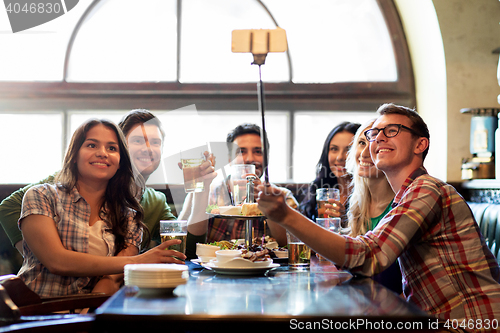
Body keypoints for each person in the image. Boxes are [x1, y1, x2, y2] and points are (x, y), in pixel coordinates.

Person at [256, 103, 500, 325]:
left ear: (420, 144)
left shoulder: (427, 188)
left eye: (392, 130)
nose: (378, 138)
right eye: (373, 134)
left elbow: (368, 256)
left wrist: (286, 215)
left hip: (471, 323)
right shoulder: (405, 195)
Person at [0, 109, 215, 258]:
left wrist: (201, 188)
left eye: (156, 142)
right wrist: (41, 252)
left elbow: (185, 248)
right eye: (138, 140)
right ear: (120, 147)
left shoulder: (154, 201)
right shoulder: (72, 180)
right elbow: (8, 207)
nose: (148, 148)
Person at [17, 119, 186, 297]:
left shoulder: (129, 215)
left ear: (120, 161)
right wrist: (138, 261)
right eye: (91, 145)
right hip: (35, 315)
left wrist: (89, 313)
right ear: (74, 155)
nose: (102, 153)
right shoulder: (41, 196)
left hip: (92, 313)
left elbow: (112, 279)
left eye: (112, 148)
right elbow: (57, 261)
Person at [179, 123, 298, 246]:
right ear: (229, 159)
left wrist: (267, 203)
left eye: (258, 151)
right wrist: (200, 191)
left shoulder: (283, 197)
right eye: (241, 152)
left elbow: (293, 246)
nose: (249, 159)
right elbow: (182, 244)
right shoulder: (209, 192)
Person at [345, 119, 402, 294]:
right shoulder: (358, 203)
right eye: (361, 143)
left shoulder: (402, 205)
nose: (364, 152)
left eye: (375, 144)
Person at [298, 122, 360, 223]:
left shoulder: (369, 195)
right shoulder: (320, 187)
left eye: (349, 150)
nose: (340, 157)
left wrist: (345, 221)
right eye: (334, 149)